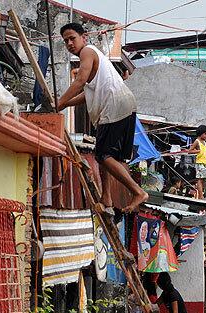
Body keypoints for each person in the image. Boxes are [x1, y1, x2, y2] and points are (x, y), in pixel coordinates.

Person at [57, 23, 147, 214]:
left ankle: (138, 192)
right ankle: (106, 197)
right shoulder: (95, 58)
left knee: (102, 155)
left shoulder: (87, 52)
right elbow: (86, 94)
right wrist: (65, 103)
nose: (70, 43)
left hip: (114, 105)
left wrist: (59, 102)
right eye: (66, 41)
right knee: (106, 154)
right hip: (122, 104)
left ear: (84, 38)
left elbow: (80, 81)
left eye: (72, 38)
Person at [188, 125, 206, 199]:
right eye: (205, 134)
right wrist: (198, 151)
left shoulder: (204, 142)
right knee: (200, 179)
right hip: (200, 163)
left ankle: (202, 194)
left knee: (204, 180)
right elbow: (190, 151)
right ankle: (200, 196)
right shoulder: (197, 141)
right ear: (201, 134)